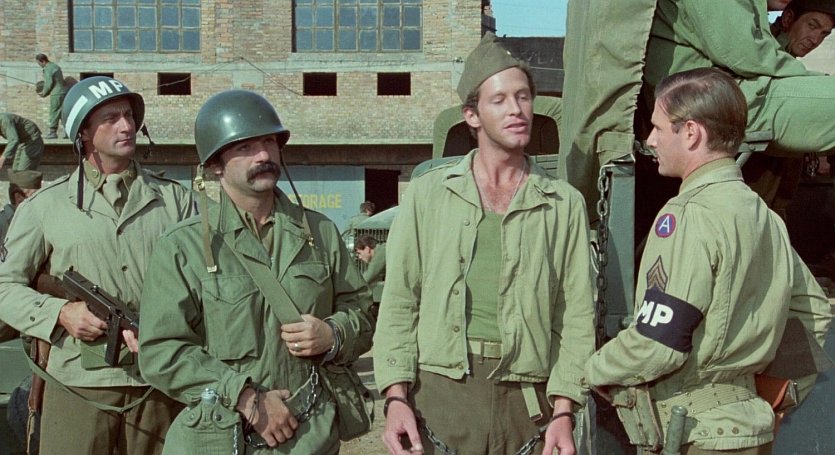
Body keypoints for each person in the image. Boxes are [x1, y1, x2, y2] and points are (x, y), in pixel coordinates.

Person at [585, 68, 832, 454]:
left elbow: (658, 342)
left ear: (691, 133)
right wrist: (771, 395)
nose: (650, 140)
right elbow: (813, 310)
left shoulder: (686, 215)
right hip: (751, 429)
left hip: (695, 432)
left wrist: (592, 370)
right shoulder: (763, 215)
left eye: (658, 128)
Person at [373, 32, 595, 455]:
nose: (516, 109)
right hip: (441, 394)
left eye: (524, 97)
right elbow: (401, 299)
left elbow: (575, 316)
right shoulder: (428, 195)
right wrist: (396, 397)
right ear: (472, 115)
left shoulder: (563, 203)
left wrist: (564, 410)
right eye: (500, 100)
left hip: (527, 401)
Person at [137, 89, 374, 454]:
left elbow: (363, 312)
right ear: (215, 164)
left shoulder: (320, 232)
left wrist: (333, 334)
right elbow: (161, 351)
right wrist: (246, 398)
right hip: (225, 437)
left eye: (269, 143)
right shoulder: (183, 246)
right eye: (245, 147)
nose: (263, 155)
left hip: (311, 436)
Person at [0, 76, 195, 455]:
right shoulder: (45, 206)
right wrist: (60, 313)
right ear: (84, 133)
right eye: (111, 118)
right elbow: (5, 287)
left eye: (129, 116)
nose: (126, 126)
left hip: (158, 381)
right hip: (77, 384)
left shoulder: (177, 201)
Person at [770, 0, 835, 57]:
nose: (815, 41)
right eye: (812, 26)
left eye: (824, 33)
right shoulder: (767, 50)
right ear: (788, 19)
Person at [35, 54, 68, 139]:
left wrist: (44, 93)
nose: (39, 65)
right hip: (63, 92)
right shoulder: (55, 66)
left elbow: (48, 83)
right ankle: (67, 132)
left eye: (39, 63)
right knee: (62, 113)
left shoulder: (48, 68)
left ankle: (53, 132)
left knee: (54, 112)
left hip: (56, 94)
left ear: (42, 61)